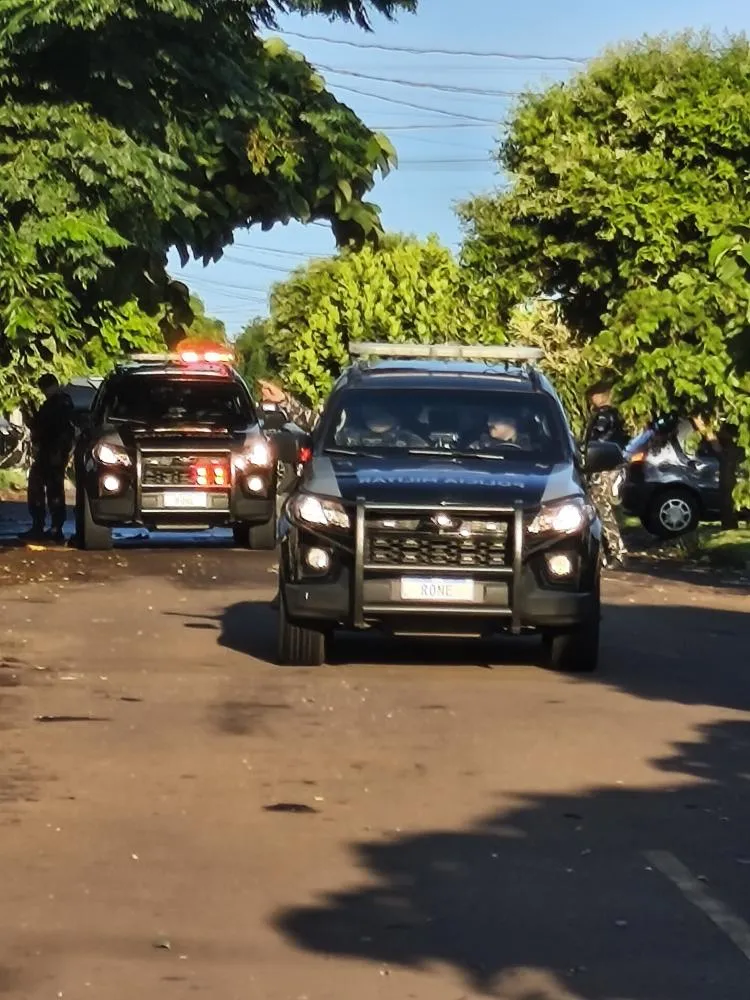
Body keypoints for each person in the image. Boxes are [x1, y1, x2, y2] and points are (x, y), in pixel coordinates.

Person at [19, 374, 75, 543]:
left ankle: (53, 527)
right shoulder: (57, 403)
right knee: (41, 487)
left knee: (52, 489)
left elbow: (47, 426)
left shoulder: (59, 404)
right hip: (50, 451)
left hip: (54, 452)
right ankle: (44, 525)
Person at [583, 380, 628, 568]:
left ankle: (617, 552)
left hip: (603, 468)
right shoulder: (614, 416)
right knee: (598, 508)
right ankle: (604, 552)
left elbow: (597, 441)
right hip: (606, 467)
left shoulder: (604, 417)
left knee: (602, 508)